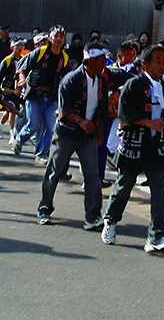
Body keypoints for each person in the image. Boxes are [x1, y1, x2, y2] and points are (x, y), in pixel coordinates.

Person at [102, 45, 164, 254]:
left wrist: (163, 126)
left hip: (154, 147)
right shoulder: (133, 85)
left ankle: (156, 236)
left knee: (160, 191)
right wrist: (148, 123)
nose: (163, 65)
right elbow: (124, 116)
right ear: (145, 64)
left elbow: (160, 113)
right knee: (124, 186)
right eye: (158, 61)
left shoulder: (162, 85)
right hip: (134, 144)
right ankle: (111, 221)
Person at [37, 42, 109, 228]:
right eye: (102, 60)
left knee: (92, 176)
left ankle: (92, 216)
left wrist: (98, 130)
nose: (104, 63)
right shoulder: (71, 79)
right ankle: (44, 209)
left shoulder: (102, 81)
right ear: (90, 60)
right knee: (54, 171)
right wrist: (81, 121)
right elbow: (64, 110)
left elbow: (101, 109)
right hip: (67, 133)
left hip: (88, 135)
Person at [13, 25, 70, 163]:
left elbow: (68, 79)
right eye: (55, 36)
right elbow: (21, 69)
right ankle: (20, 140)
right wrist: (21, 81)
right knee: (33, 125)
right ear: (50, 38)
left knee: (51, 128)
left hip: (52, 97)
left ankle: (41, 154)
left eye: (61, 37)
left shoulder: (65, 58)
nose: (58, 39)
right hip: (35, 95)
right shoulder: (39, 52)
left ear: (63, 40)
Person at [0, 38, 26, 139]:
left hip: (18, 88)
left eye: (22, 45)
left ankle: (0, 126)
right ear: (12, 47)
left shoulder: (24, 58)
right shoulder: (7, 60)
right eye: (18, 45)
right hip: (7, 88)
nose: (20, 48)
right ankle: (12, 135)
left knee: (9, 110)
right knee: (12, 109)